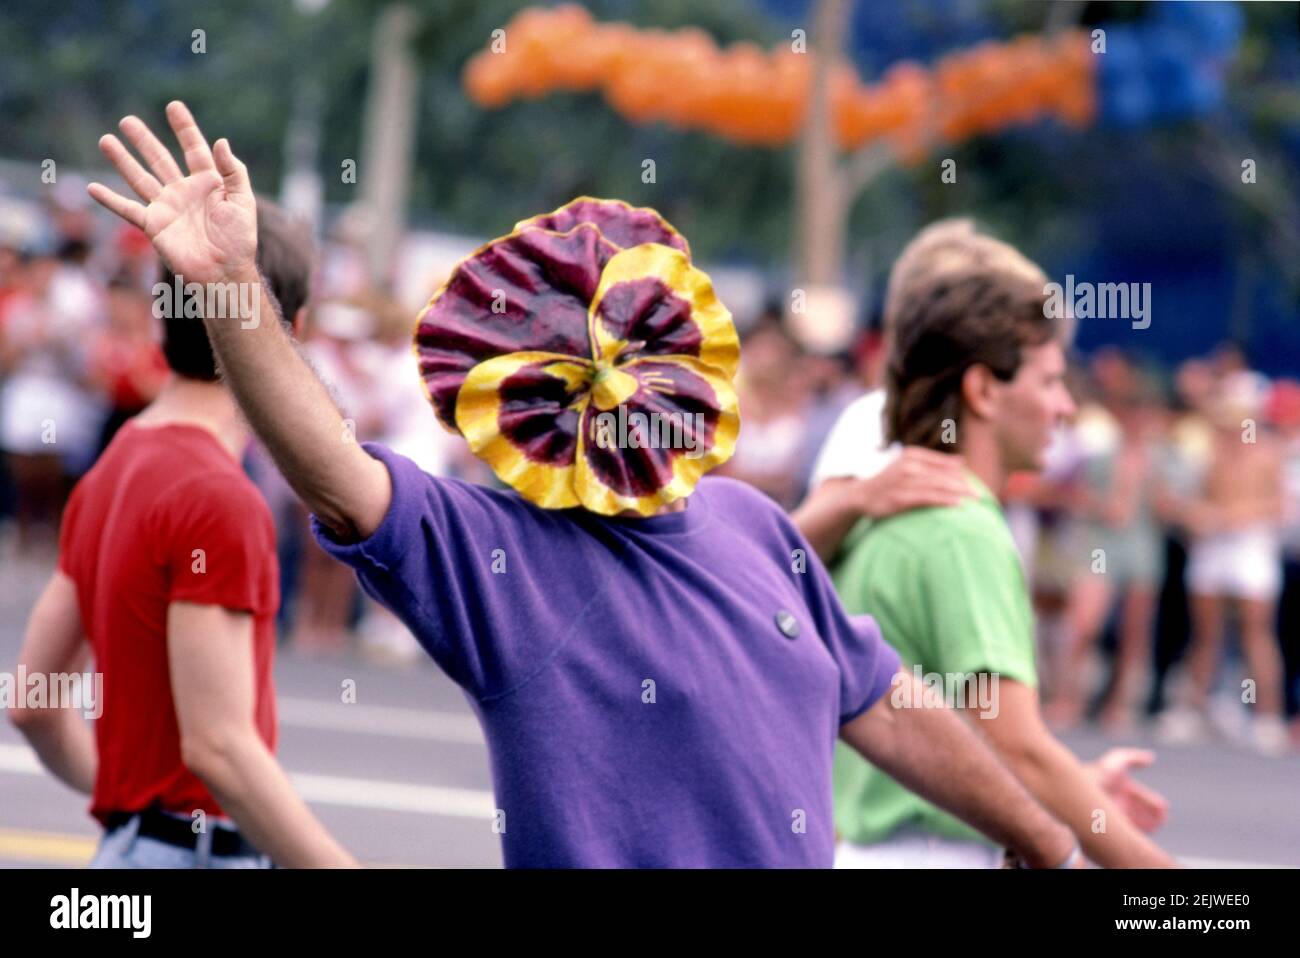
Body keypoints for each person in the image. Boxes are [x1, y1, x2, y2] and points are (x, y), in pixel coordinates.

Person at [82, 100, 1086, 869]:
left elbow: (884, 698)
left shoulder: (753, 525)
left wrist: (1041, 836)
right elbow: (333, 468)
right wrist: (230, 291)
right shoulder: (498, 558)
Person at [10, 184, 356, 868]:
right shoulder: (218, 496)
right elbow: (218, 747)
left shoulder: (115, 465)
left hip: (131, 851)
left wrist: (133, 802)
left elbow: (33, 700)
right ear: (298, 327)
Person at [821, 222, 1177, 868]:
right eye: (1048, 381)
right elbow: (1016, 749)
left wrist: (1073, 788)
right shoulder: (961, 527)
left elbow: (977, 744)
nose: (1065, 405)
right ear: (984, 389)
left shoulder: (885, 513)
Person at [1161, 371, 1288, 755]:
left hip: (1251, 548)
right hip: (1213, 548)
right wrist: (1200, 515)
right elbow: (1179, 500)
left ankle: (1267, 717)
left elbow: (1279, 506)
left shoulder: (1268, 453)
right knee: (1206, 634)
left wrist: (1235, 515)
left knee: (1257, 633)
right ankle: (1192, 709)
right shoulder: (1208, 453)